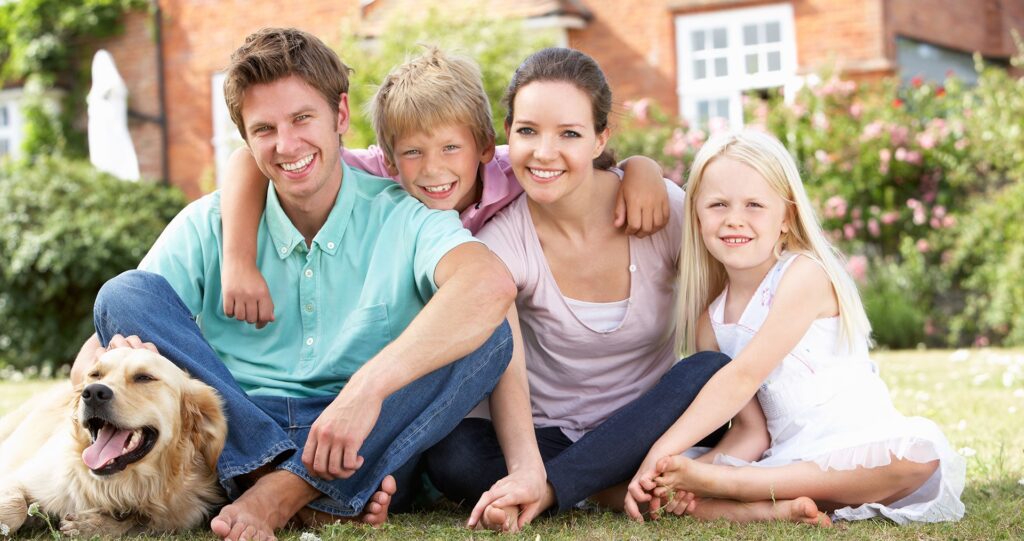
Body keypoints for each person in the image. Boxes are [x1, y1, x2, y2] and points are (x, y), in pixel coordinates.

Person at [69, 28, 519, 541]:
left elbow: (489, 283)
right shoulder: (209, 224)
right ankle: (286, 479)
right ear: (245, 138)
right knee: (122, 293)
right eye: (264, 129)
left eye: (303, 118)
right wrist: (102, 361)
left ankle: (280, 491)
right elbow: (106, 336)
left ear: (341, 117)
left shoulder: (402, 215)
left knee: (489, 334)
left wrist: (365, 391)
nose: (287, 145)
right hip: (240, 420)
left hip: (360, 435)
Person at [423, 47, 739, 532]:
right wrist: (526, 466)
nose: (545, 153)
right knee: (453, 458)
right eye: (528, 131)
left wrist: (644, 167)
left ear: (599, 138)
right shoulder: (500, 241)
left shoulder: (661, 210)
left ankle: (560, 490)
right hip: (551, 433)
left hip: (646, 424)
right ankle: (611, 485)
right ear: (507, 134)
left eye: (569, 133)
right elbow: (508, 366)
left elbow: (721, 313)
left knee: (712, 370)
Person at [624, 130, 966, 525]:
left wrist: (661, 455)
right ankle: (768, 508)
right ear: (696, 216)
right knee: (625, 491)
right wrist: (676, 474)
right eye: (717, 204)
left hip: (854, 446)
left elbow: (742, 376)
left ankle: (735, 487)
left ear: (786, 217)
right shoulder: (712, 320)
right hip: (785, 459)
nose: (735, 218)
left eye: (755, 205)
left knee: (917, 458)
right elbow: (753, 433)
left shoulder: (804, 275)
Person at [219, 47, 669, 328]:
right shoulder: (381, 171)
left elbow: (581, 160)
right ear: (392, 159)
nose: (433, 171)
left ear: (485, 147)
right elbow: (249, 159)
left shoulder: (517, 168)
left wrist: (641, 170)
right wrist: (238, 263)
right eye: (413, 153)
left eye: (451, 148)